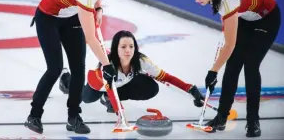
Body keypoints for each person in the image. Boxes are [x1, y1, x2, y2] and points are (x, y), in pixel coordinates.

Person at [24, 0, 129, 134]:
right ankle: (34, 116)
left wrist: (99, 10)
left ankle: (73, 118)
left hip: (70, 17)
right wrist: (107, 65)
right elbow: (91, 38)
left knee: (78, 69)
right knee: (54, 68)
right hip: (48, 18)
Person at [190, 0, 281, 137]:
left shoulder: (227, 1)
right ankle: (221, 118)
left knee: (251, 65)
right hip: (247, 18)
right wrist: (216, 70)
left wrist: (213, 71)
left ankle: (253, 121)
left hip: (268, 18)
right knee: (233, 64)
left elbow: (229, 45)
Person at [59, 30, 205, 113]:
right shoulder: (108, 65)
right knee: (86, 98)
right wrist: (120, 112)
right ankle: (66, 79)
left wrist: (190, 89)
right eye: (123, 47)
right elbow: (109, 88)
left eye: (131, 46)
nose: (128, 50)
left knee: (151, 88)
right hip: (99, 82)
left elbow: (166, 77)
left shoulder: (141, 61)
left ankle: (108, 100)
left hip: (121, 84)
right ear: (116, 48)